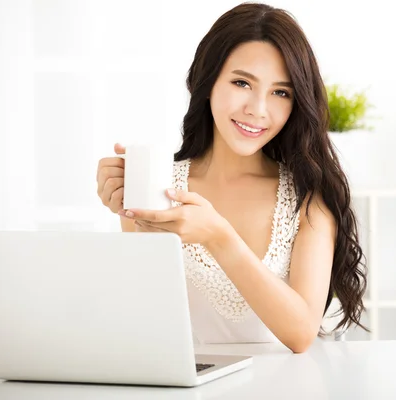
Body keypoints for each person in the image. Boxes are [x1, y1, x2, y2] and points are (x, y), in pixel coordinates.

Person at [96, 2, 367, 353]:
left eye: (280, 92)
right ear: (207, 82)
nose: (258, 109)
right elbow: (146, 324)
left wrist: (218, 236)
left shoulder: (307, 198)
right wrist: (126, 205)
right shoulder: (161, 187)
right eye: (242, 82)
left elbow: (301, 333)